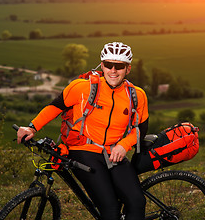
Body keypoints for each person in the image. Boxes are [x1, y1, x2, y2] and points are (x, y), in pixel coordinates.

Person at [17, 42, 149, 220]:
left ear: (128, 69)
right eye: (109, 65)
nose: (113, 70)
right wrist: (32, 127)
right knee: (110, 210)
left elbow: (141, 129)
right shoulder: (82, 87)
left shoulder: (137, 95)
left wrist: (124, 145)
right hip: (83, 151)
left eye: (119, 66)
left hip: (114, 152)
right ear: (102, 65)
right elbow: (55, 107)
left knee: (137, 202)